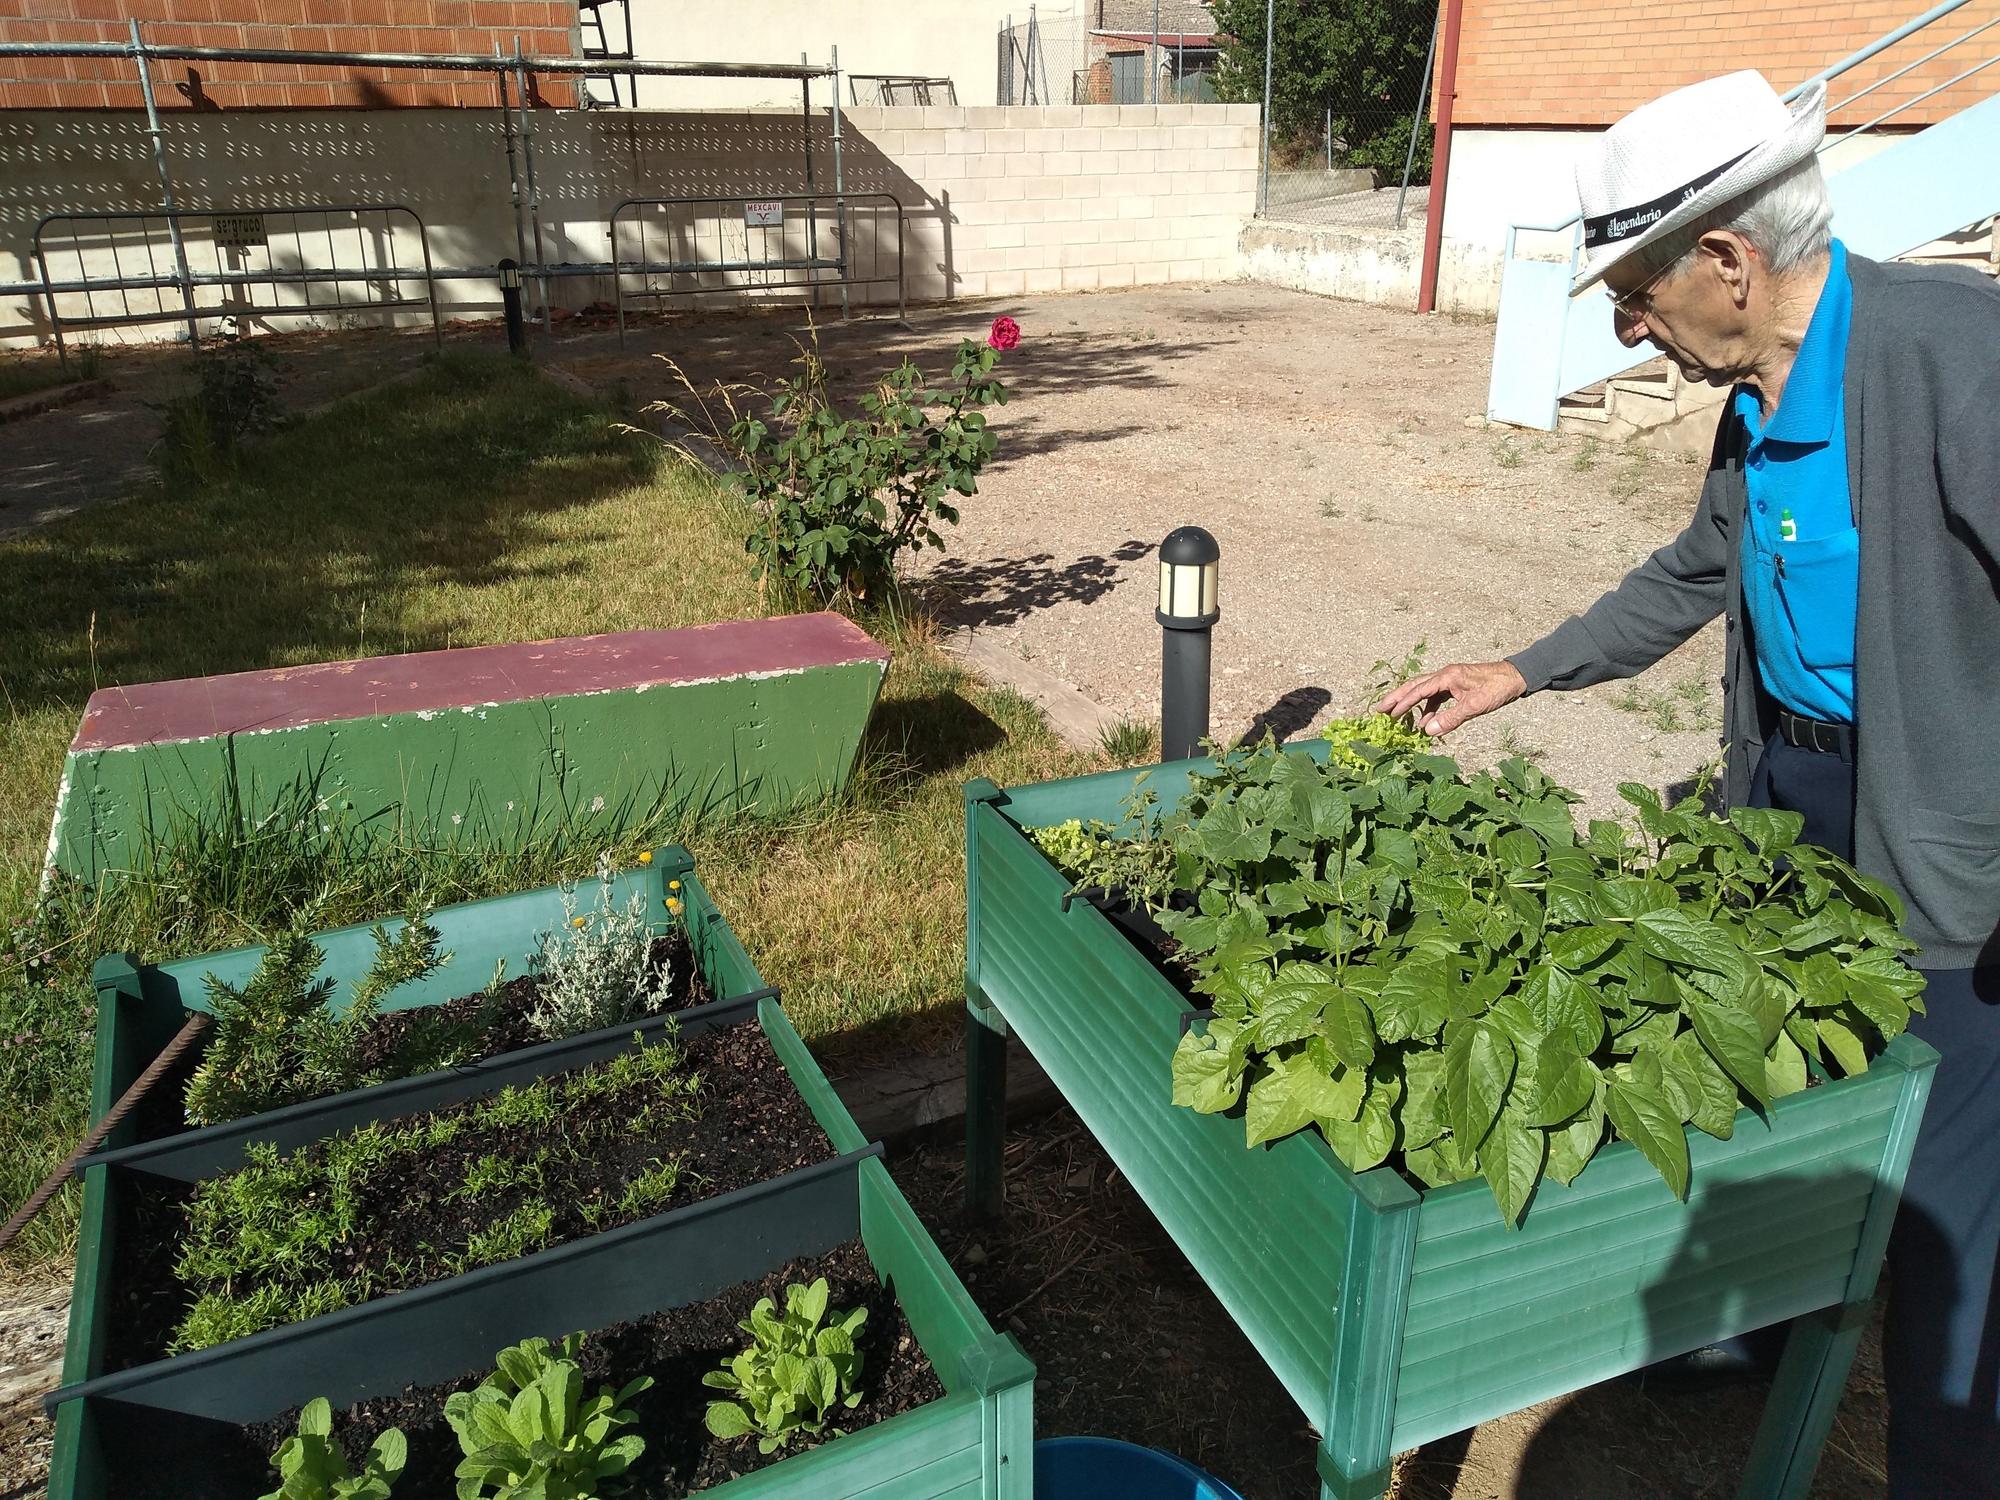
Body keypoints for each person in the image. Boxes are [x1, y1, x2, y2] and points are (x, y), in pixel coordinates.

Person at [1375, 70, 2000, 1496]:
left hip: (1956, 849)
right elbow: (1700, 573)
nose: (1628, 328)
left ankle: (1951, 1460)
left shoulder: (1955, 359)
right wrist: (1520, 672)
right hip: (1794, 813)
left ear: (1727, 262)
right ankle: (1776, 1325)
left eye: (1636, 295)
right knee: (1789, 1092)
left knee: (1955, 1227)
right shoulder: (1756, 405)